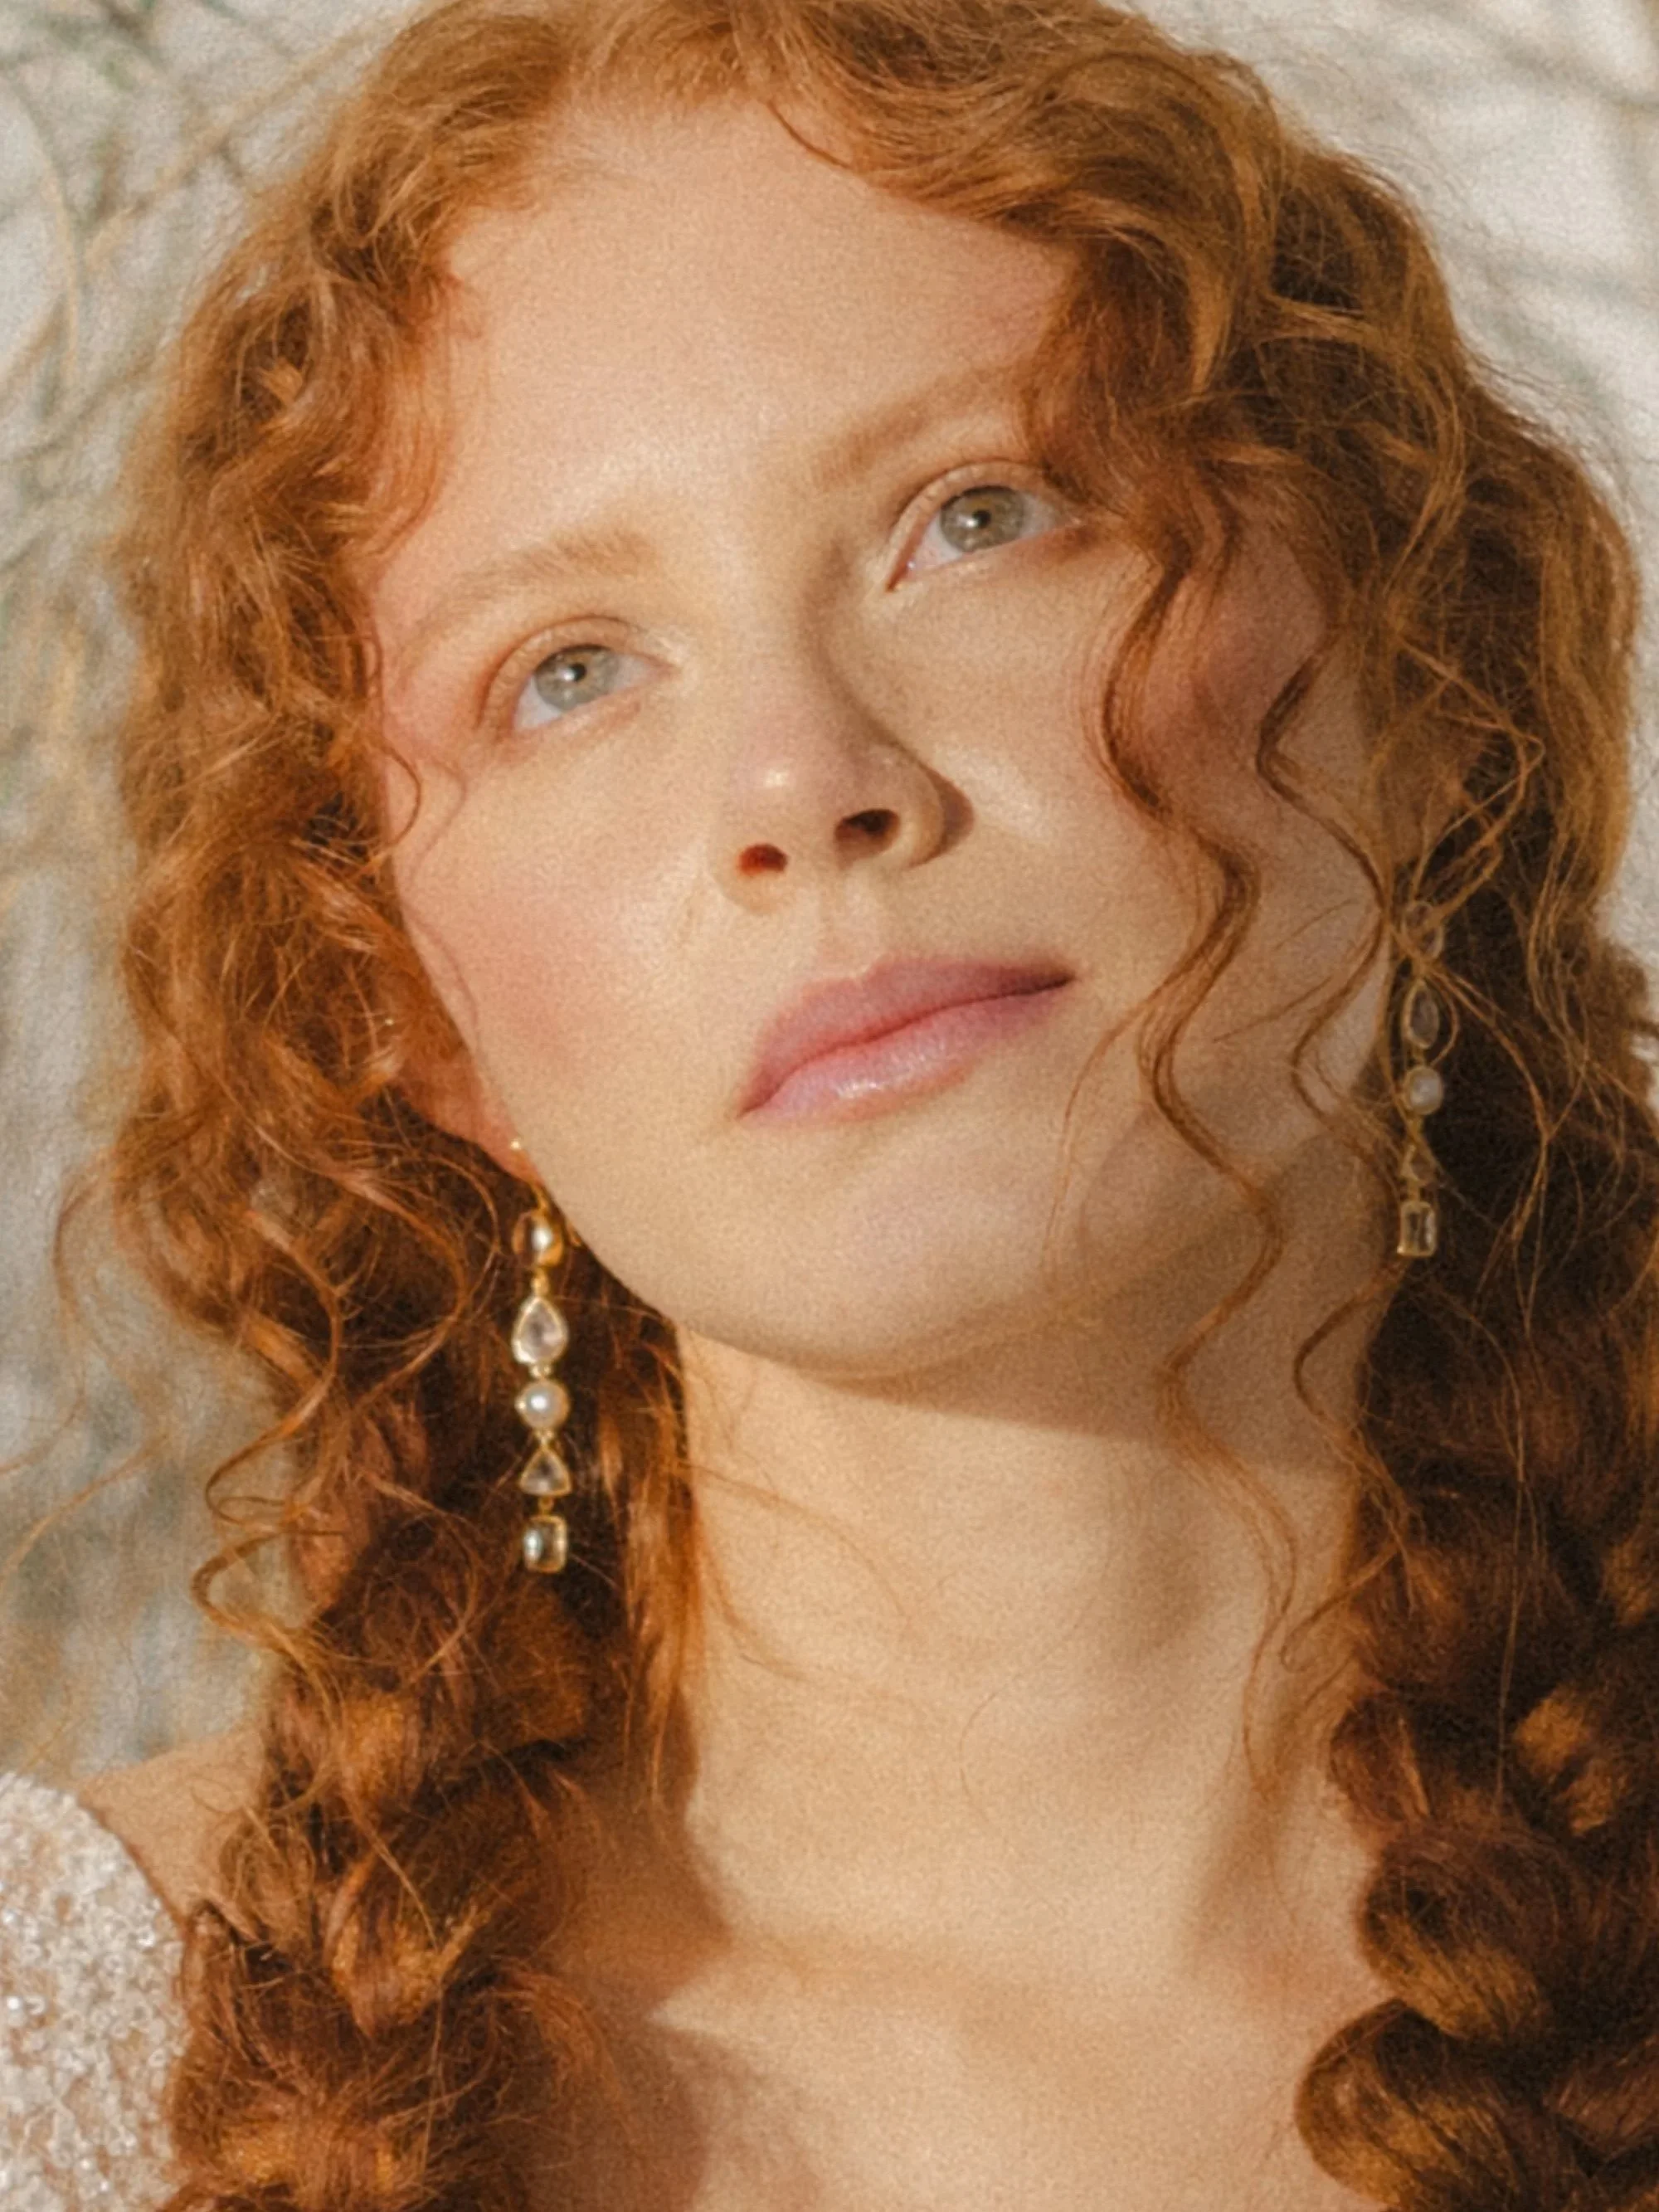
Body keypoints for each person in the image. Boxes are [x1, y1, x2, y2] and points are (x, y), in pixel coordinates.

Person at [2, 0, 1657, 2204]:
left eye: (977, 516)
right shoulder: (74, 2078)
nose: (805, 784)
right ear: (410, 1006)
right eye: (569, 671)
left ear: (1426, 666)